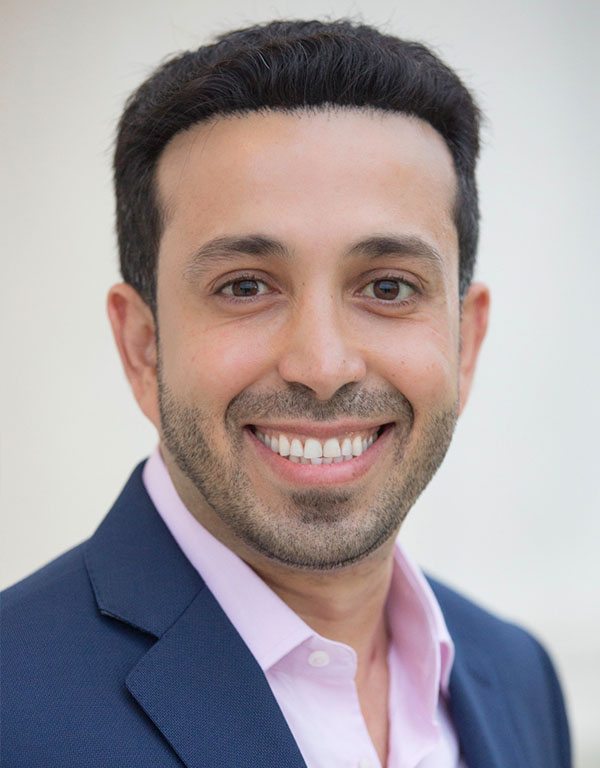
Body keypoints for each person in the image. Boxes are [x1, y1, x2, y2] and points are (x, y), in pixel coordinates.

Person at [1, 19, 571, 768]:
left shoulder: (521, 677)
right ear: (144, 347)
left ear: (466, 342)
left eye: (389, 287)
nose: (323, 364)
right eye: (245, 286)